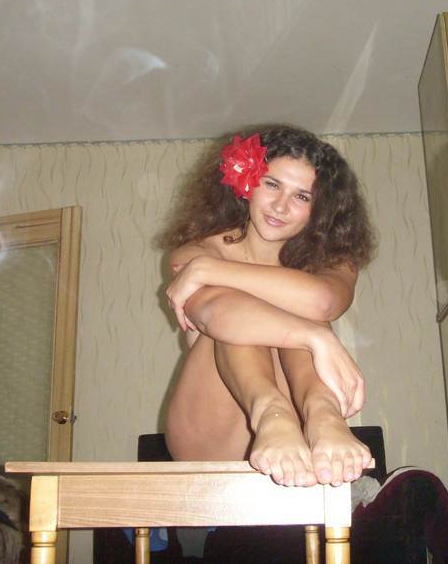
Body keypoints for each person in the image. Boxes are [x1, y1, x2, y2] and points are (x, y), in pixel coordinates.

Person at [155, 124, 376, 488]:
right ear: (246, 182)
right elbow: (217, 314)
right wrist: (316, 338)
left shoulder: (330, 259)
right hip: (210, 436)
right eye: (272, 184)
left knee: (301, 303)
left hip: (296, 437)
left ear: (321, 209)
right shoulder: (201, 250)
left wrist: (210, 271)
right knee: (241, 314)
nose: (280, 206)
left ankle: (323, 414)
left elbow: (323, 300)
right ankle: (271, 412)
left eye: (302, 196)